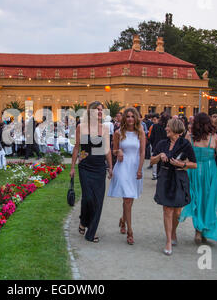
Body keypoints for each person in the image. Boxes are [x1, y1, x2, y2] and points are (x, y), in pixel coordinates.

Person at [150, 118, 197, 255]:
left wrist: (181, 164)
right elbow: (152, 160)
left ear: (175, 129)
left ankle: (173, 231)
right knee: (167, 210)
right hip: (165, 178)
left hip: (179, 178)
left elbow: (194, 164)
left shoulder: (185, 144)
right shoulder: (162, 143)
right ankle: (168, 240)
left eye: (168, 127)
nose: (166, 129)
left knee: (177, 211)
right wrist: (160, 155)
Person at [70, 101, 113, 243]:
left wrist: (110, 166)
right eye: (97, 110)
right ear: (90, 112)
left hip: (99, 167)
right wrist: (72, 167)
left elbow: (106, 149)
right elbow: (77, 147)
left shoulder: (104, 128)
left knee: (98, 201)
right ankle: (83, 220)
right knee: (88, 198)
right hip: (85, 166)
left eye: (102, 110)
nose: (100, 112)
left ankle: (91, 231)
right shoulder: (81, 127)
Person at [179, 113, 217, 244]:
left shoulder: (189, 136)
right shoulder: (214, 137)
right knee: (208, 200)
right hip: (210, 171)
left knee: (197, 199)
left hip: (194, 170)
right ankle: (204, 229)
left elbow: (184, 154)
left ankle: (198, 231)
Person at [107, 107, 146, 245]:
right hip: (122, 167)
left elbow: (142, 152)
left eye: (132, 116)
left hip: (135, 167)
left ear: (136, 118)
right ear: (124, 118)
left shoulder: (140, 132)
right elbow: (114, 149)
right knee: (128, 199)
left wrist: (140, 169)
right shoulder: (118, 133)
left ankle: (123, 220)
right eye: (127, 116)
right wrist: (119, 152)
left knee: (130, 199)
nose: (130, 119)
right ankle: (130, 231)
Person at [149, 112, 170, 180]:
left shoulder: (155, 126)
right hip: (167, 147)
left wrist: (153, 144)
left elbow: (151, 137)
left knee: (155, 162)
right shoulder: (169, 128)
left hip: (156, 146)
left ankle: (155, 174)